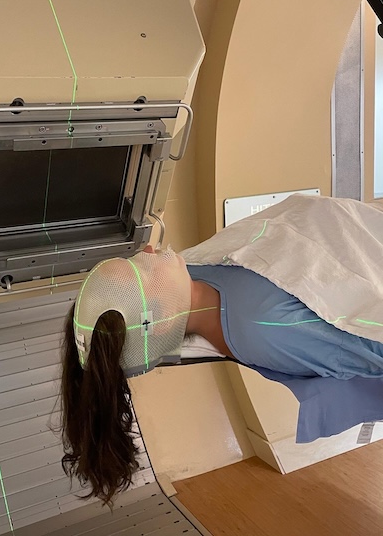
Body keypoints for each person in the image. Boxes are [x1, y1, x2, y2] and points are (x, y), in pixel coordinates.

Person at [56, 194, 383, 506]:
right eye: (142, 270)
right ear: (160, 319)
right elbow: (369, 341)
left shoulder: (195, 269)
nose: (149, 249)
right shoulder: (266, 325)